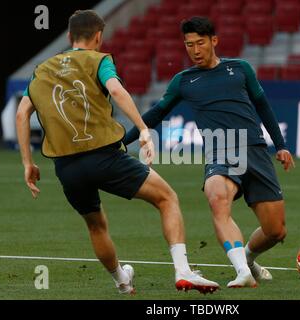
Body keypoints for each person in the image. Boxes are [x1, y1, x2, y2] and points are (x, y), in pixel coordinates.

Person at [16, 10, 219, 295]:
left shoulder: (42, 69)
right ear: (98, 36)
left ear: (68, 37)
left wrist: (27, 162)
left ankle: (122, 281)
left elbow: (22, 113)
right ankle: (183, 271)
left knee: (96, 227)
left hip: (66, 168)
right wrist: (143, 129)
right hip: (105, 157)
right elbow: (117, 90)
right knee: (167, 198)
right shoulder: (100, 60)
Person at [123, 17, 295, 288]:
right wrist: (125, 141)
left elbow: (262, 106)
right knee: (217, 197)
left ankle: (248, 259)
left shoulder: (240, 69)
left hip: (255, 150)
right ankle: (242, 271)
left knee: (275, 230)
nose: (195, 50)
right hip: (220, 150)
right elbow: (156, 113)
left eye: (200, 43)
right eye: (189, 44)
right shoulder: (184, 81)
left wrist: (281, 145)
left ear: (214, 41)